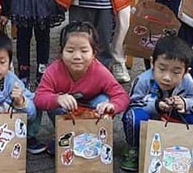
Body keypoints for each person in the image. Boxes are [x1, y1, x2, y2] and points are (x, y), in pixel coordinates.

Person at [34, 22, 130, 155]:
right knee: (53, 102)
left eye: (84, 51)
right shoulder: (53, 71)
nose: (77, 56)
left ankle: (94, 136)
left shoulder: (100, 71)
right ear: (61, 52)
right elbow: (39, 98)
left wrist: (112, 106)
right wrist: (57, 98)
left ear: (94, 53)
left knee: (103, 100)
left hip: (91, 109)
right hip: (66, 112)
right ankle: (64, 135)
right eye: (70, 51)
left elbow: (122, 96)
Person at [120, 34, 193, 172]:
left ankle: (183, 147)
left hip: (173, 118)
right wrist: (156, 105)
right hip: (149, 119)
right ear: (152, 63)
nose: (167, 77)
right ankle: (134, 149)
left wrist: (184, 103)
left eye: (176, 72)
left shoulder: (187, 80)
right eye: (162, 69)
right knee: (133, 117)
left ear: (185, 72)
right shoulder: (143, 80)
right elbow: (132, 105)